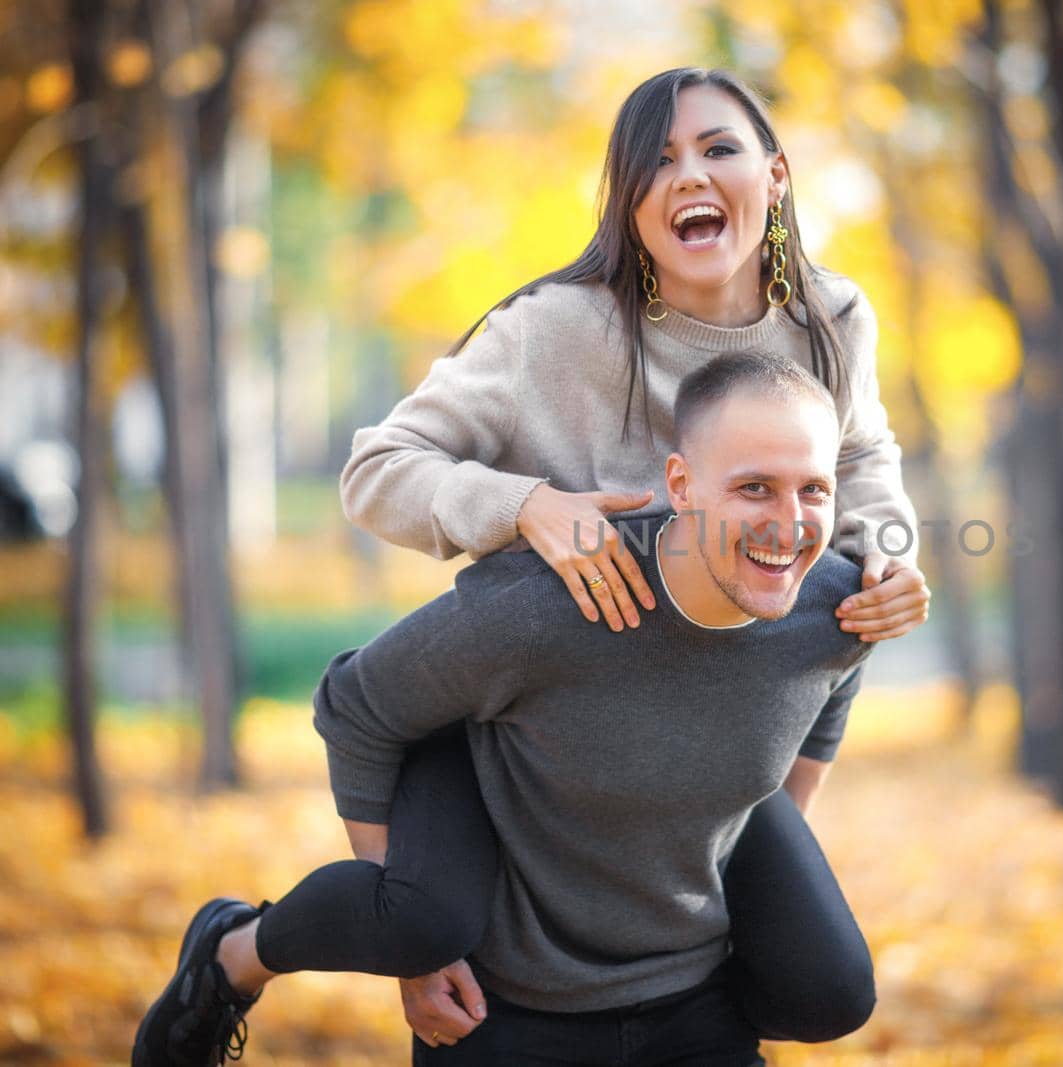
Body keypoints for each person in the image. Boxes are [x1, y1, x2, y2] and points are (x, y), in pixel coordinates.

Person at [334, 66, 928, 1044]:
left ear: (774, 177)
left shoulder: (831, 319)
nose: (688, 174)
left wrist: (892, 550)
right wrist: (524, 505)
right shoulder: (553, 333)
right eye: (655, 161)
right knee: (441, 931)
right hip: (533, 702)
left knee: (827, 984)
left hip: (704, 711)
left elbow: (862, 453)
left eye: (718, 148)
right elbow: (376, 469)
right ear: (627, 203)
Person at [136, 353, 877, 1066]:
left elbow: (832, 683)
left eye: (813, 489)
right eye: (754, 488)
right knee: (422, 920)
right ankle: (231, 950)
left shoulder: (836, 608)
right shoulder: (551, 606)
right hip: (503, 986)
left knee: (832, 990)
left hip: (694, 1008)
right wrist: (405, 935)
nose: (790, 522)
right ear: (679, 484)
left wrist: (759, 834)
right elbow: (355, 703)